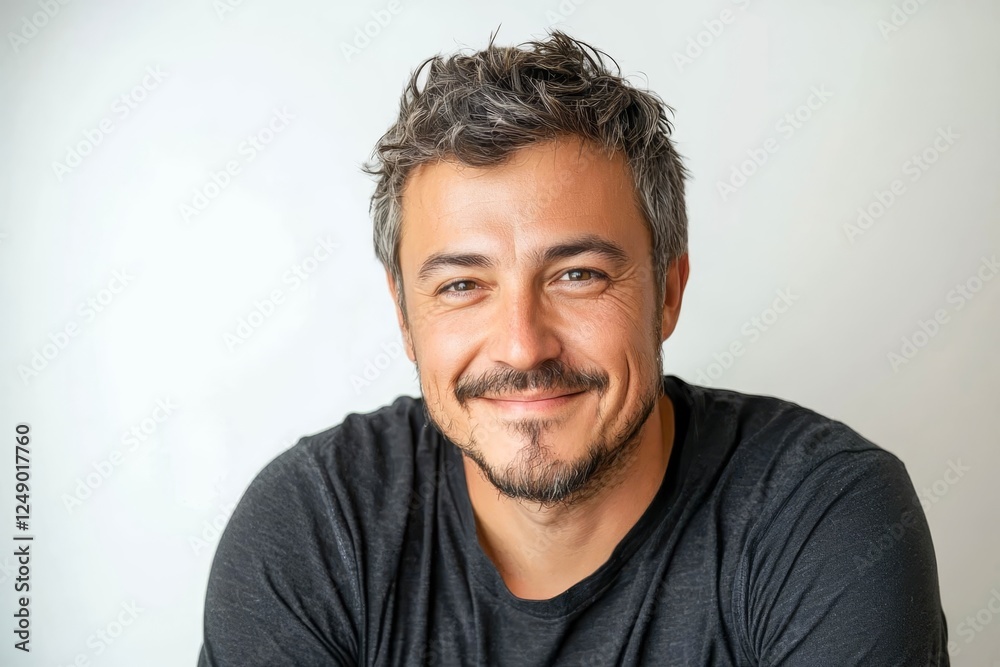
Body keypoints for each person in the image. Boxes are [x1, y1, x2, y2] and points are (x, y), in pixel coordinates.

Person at [197, 30, 950, 666]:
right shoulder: (314, 530)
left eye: (578, 275)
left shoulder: (822, 516)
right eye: (462, 285)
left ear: (667, 290)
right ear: (404, 316)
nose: (523, 346)